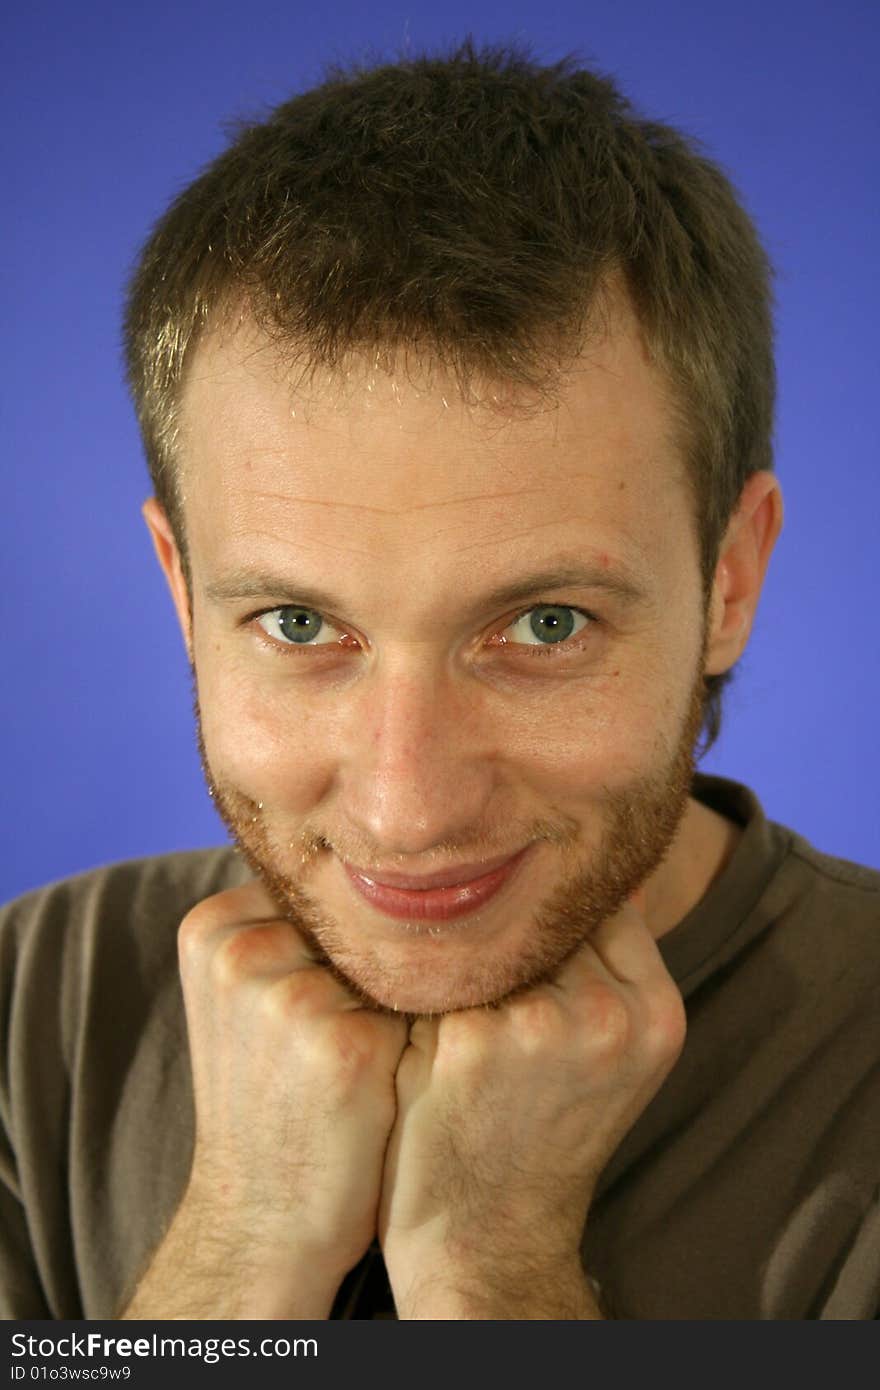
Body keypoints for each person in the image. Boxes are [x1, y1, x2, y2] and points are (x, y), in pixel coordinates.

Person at [1, 39, 877, 1322]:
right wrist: (248, 1239)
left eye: (544, 622)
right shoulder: (26, 1012)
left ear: (729, 584)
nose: (406, 813)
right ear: (181, 591)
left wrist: (492, 1269)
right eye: (300, 622)